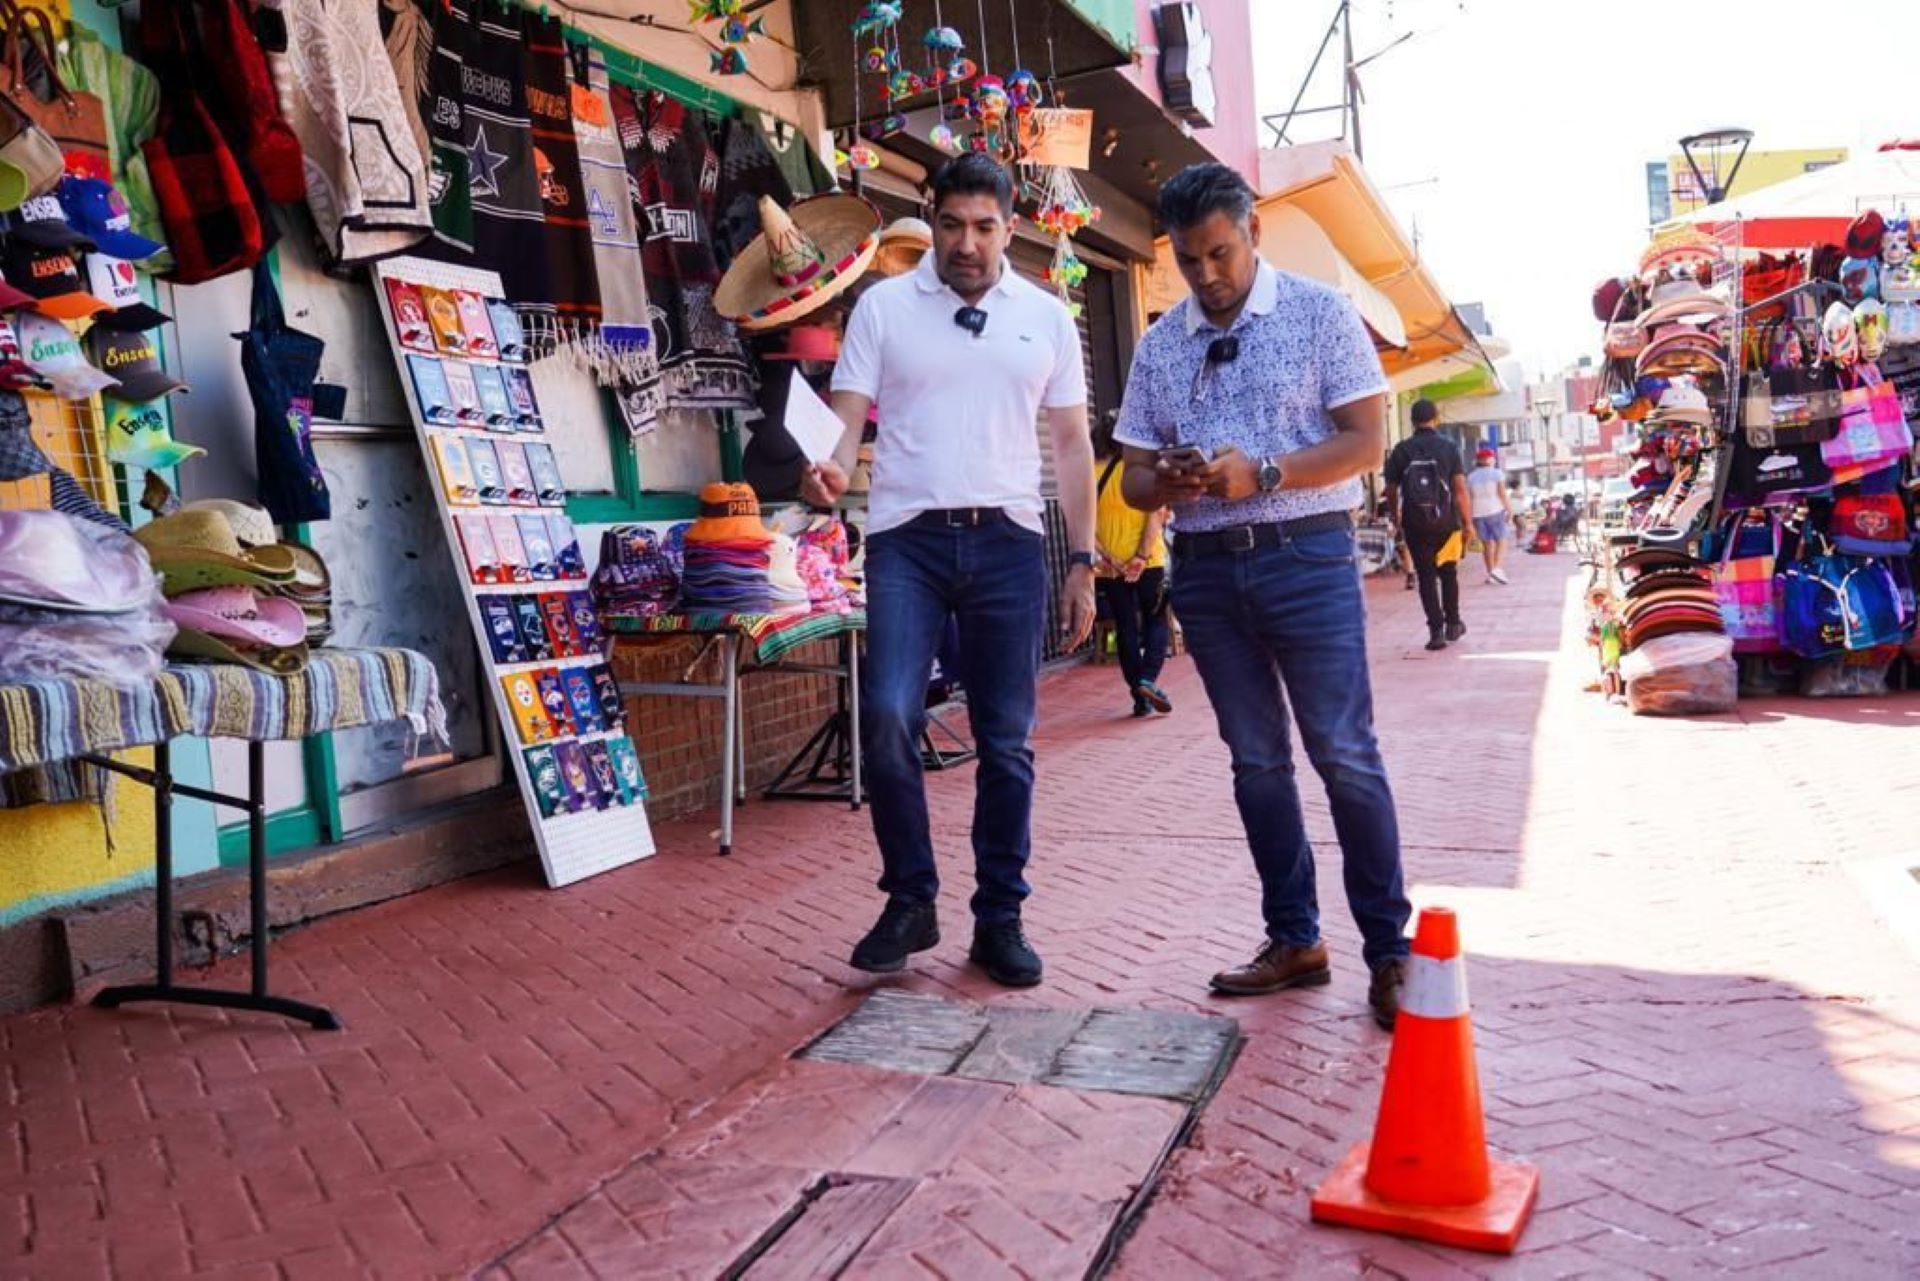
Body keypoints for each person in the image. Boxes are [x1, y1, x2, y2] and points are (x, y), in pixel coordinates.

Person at [1112, 163, 1411, 1030]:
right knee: (1256, 762)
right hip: (1205, 570)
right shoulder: (1162, 344)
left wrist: (1267, 472)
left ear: (1253, 232)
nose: (1206, 274)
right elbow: (1130, 477)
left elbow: (1365, 441)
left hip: (1307, 558)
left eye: (1219, 253)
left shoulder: (1321, 314)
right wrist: (1163, 478)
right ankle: (1295, 939)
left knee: (1344, 752)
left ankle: (1390, 954)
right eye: (1189, 259)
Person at [801, 153, 1096, 988]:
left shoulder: (1046, 317)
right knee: (889, 715)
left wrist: (1081, 560)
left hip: (1007, 541)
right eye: (951, 224)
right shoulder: (885, 307)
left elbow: (1072, 444)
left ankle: (1000, 917)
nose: (965, 243)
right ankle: (911, 897)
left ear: (1012, 227)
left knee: (1007, 743)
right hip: (906, 541)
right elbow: (847, 417)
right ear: (930, 216)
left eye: (984, 226)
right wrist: (824, 468)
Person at [1093, 412, 1171, 717]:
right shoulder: (1140, 472)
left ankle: (1139, 697)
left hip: (1110, 567)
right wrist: (1139, 556)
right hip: (1148, 561)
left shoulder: (1089, 472)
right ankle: (1147, 680)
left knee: (1125, 627)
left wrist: (1108, 556)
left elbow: (1080, 522)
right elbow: (1156, 514)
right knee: (1156, 620)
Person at [1384, 399, 1474, 651]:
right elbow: (1460, 490)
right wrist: (1467, 522)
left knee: (1425, 577)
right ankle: (1453, 624)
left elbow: (1391, 490)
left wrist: (1395, 516)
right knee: (1448, 573)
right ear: (1435, 418)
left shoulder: (1401, 451)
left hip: (1415, 523)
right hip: (1447, 522)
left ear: (1412, 421)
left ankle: (1436, 632)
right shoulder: (1448, 448)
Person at [1466, 446, 1513, 584]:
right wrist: (1509, 509)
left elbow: (1470, 497)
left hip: (1477, 512)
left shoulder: (1471, 476)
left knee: (1487, 544)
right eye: (1492, 457)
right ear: (1488, 459)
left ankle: (1490, 573)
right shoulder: (1497, 474)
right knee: (1502, 540)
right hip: (1495, 510)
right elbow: (1502, 493)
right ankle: (1496, 569)